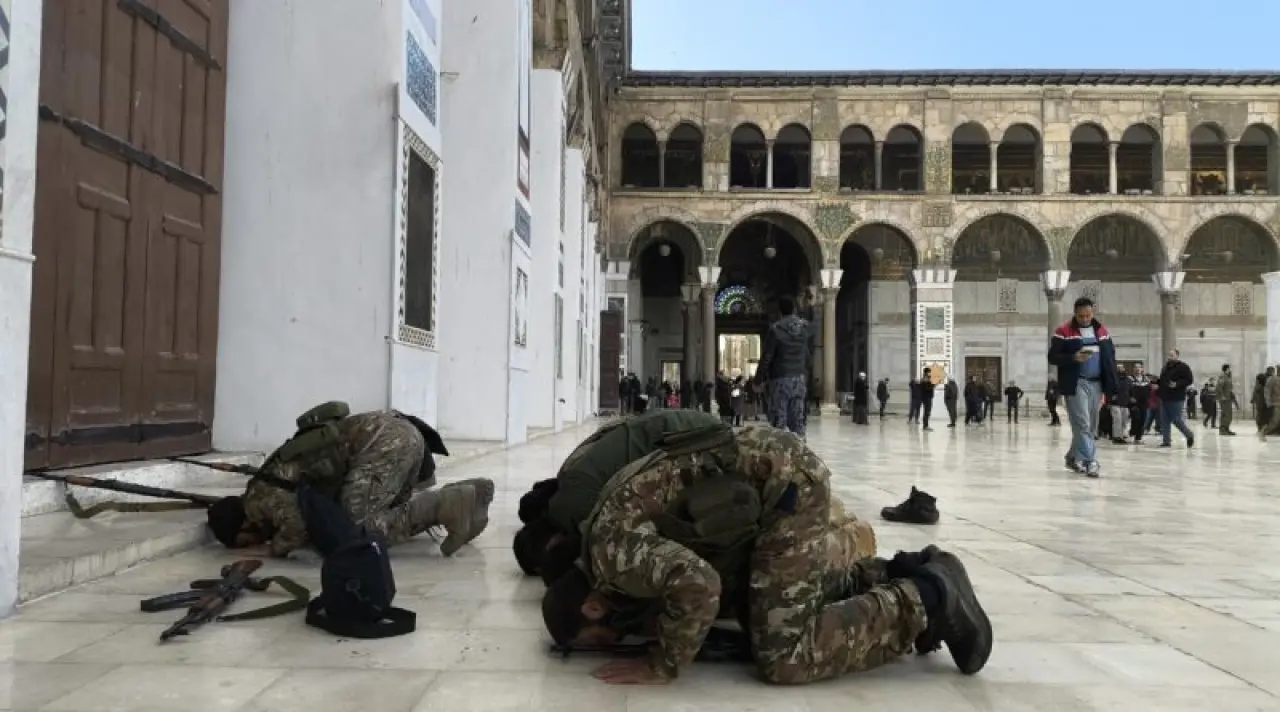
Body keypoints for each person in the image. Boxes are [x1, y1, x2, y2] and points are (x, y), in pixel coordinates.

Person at [544, 425, 991, 685]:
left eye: (595, 640)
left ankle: (928, 596)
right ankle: (893, 572)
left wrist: (662, 663)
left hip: (784, 485)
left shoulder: (611, 553)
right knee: (764, 603)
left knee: (782, 654)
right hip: (769, 475)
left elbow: (700, 586)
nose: (611, 645)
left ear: (593, 606)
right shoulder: (602, 542)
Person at [207, 405, 492, 558]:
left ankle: (445, 505)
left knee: (357, 529)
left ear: (242, 525)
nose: (250, 544)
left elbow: (296, 527)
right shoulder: (263, 485)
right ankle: (471, 494)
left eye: (244, 542)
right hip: (400, 433)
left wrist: (274, 549)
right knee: (387, 512)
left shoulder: (259, 500)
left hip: (381, 444)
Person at [513, 409, 730, 581]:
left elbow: (620, 541)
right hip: (680, 427)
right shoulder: (568, 487)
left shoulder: (574, 509)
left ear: (549, 544)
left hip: (691, 437)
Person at [1048, 297, 1118, 478]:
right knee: (1083, 424)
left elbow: (1110, 357)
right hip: (1076, 382)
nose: (1085, 319)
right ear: (1075, 314)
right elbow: (1053, 357)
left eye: (1088, 315)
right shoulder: (1063, 331)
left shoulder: (1102, 331)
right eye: (1081, 316)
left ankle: (1072, 457)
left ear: (1093, 312)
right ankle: (1091, 461)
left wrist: (1111, 384)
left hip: (1096, 383)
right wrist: (1073, 357)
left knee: (1089, 426)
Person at [754, 296, 813, 437]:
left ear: (779, 311)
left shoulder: (775, 329)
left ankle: (780, 455)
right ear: (794, 309)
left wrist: (758, 380)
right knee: (798, 423)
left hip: (780, 380)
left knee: (779, 422)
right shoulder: (804, 329)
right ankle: (800, 454)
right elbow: (808, 356)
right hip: (799, 380)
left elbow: (767, 357)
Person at [1157, 349, 1195, 448]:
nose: (1169, 357)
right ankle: (1166, 441)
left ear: (1177, 356)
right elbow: (1162, 381)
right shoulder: (1165, 367)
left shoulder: (1183, 367)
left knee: (1176, 419)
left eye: (1172, 355)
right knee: (1164, 420)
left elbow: (1189, 380)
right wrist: (1156, 383)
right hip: (1164, 397)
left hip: (1176, 398)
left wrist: (1177, 384)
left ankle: (1189, 435)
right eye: (1169, 355)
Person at [1107, 364, 1131, 444]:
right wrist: (1110, 400)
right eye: (1118, 368)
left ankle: (1122, 435)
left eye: (1122, 367)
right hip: (1115, 403)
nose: (1120, 369)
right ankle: (1117, 437)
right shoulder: (1112, 379)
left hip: (1125, 403)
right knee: (1117, 420)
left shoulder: (1128, 379)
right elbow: (1108, 390)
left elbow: (1131, 390)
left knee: (1124, 421)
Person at [1215, 365, 1238, 436]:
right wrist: (1222, 396)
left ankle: (1226, 428)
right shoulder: (1222, 376)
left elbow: (1230, 388)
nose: (1230, 370)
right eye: (1229, 368)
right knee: (1225, 414)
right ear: (1226, 369)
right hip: (1224, 399)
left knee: (1229, 414)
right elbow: (1219, 387)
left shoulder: (1228, 377)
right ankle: (1222, 429)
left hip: (1228, 399)